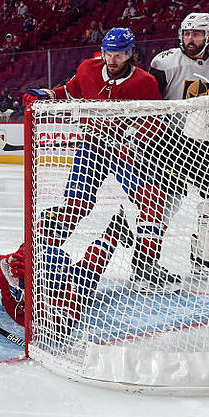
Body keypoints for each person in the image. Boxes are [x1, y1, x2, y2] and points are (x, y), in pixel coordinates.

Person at [23, 27, 175, 292]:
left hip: (128, 153)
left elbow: (156, 121)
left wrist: (136, 138)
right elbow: (71, 91)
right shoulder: (87, 69)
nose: (113, 59)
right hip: (92, 147)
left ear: (131, 54)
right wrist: (48, 95)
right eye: (109, 53)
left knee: (152, 200)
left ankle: (146, 268)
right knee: (76, 205)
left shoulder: (145, 82)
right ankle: (39, 255)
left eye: (120, 54)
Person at [148, 12, 209, 278]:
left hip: (206, 144)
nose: (190, 39)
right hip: (168, 140)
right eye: (187, 33)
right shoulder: (165, 62)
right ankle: (146, 261)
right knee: (165, 200)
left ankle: (207, 257)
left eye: (196, 34)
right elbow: (147, 102)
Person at [0, 210, 132, 335]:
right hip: (36, 268)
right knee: (39, 239)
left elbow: (61, 328)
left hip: (56, 286)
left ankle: (114, 230)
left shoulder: (68, 296)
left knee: (90, 267)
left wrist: (44, 321)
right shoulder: (11, 266)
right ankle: (46, 225)